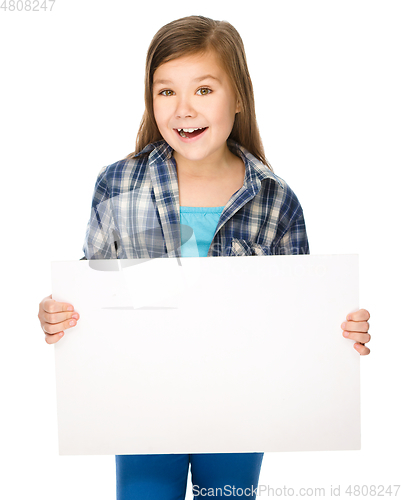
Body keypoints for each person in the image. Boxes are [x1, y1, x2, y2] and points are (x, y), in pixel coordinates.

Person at [37, 15, 371, 500]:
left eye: (204, 90)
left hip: (238, 410)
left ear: (238, 97)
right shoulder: (119, 185)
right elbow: (91, 293)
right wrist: (56, 313)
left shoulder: (275, 200)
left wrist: (340, 332)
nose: (183, 109)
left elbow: (297, 318)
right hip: (141, 407)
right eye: (166, 91)